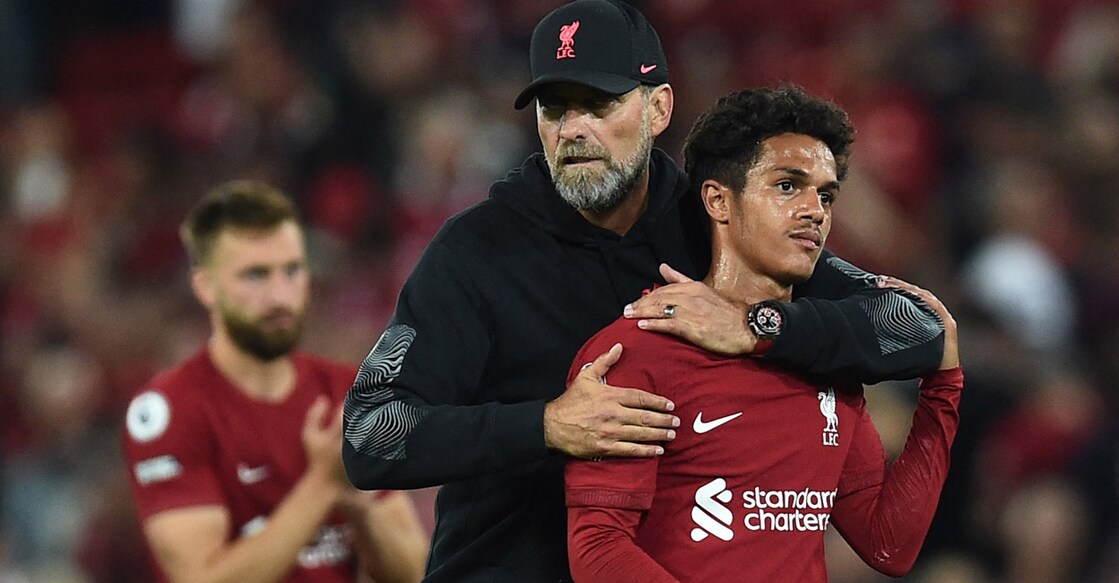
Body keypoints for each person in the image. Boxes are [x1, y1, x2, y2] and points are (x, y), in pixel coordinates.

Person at [342, 1, 946, 581]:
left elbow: (918, 329)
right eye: (555, 108)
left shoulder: (717, 225)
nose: (573, 130)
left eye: (599, 105)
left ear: (658, 110)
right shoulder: (478, 253)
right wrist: (546, 426)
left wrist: (757, 327)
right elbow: (370, 434)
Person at [564, 86, 963, 582]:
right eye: (787, 186)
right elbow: (598, 551)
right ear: (718, 201)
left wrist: (942, 393)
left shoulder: (825, 365)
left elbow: (888, 544)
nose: (815, 210)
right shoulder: (642, 351)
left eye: (826, 194)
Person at [121, 180, 430, 583]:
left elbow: (416, 573)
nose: (280, 295)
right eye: (256, 275)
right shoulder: (169, 411)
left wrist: (357, 497)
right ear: (205, 286)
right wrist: (323, 483)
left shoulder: (349, 392)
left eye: (293, 270)